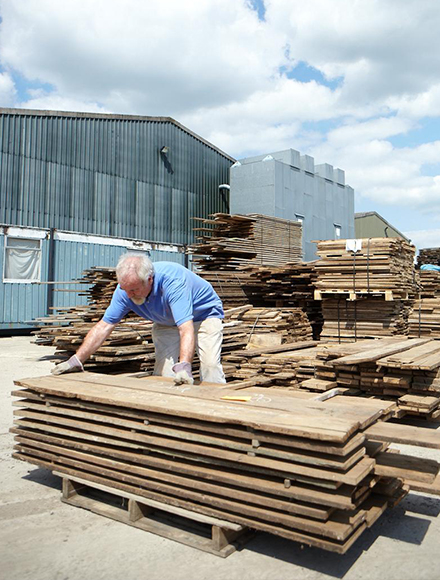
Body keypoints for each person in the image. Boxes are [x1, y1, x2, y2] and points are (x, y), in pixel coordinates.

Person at [51, 253, 226, 384]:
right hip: (166, 321)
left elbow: (185, 328)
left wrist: (185, 365)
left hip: (204, 316)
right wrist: (76, 360)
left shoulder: (173, 283)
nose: (129, 295)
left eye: (134, 290)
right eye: (125, 289)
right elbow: (104, 326)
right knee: (164, 373)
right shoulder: (125, 291)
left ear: (149, 279)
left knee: (209, 366)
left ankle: (219, 412)